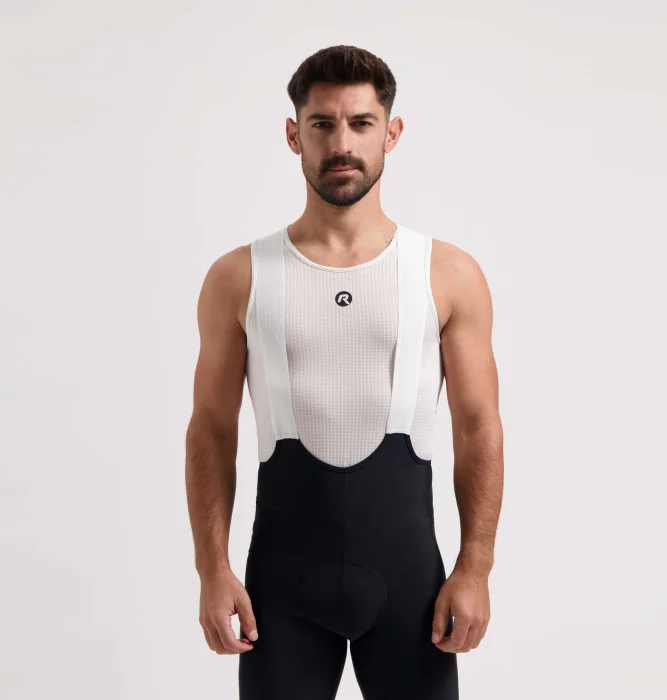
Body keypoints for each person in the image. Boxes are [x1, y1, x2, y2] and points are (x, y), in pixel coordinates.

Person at [185, 44, 504, 700]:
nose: (341, 143)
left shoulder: (446, 273)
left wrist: (476, 568)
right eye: (322, 124)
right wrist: (211, 571)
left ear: (391, 132)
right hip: (281, 592)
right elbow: (210, 429)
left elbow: (479, 428)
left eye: (361, 123)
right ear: (293, 134)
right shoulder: (239, 277)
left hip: (411, 591)